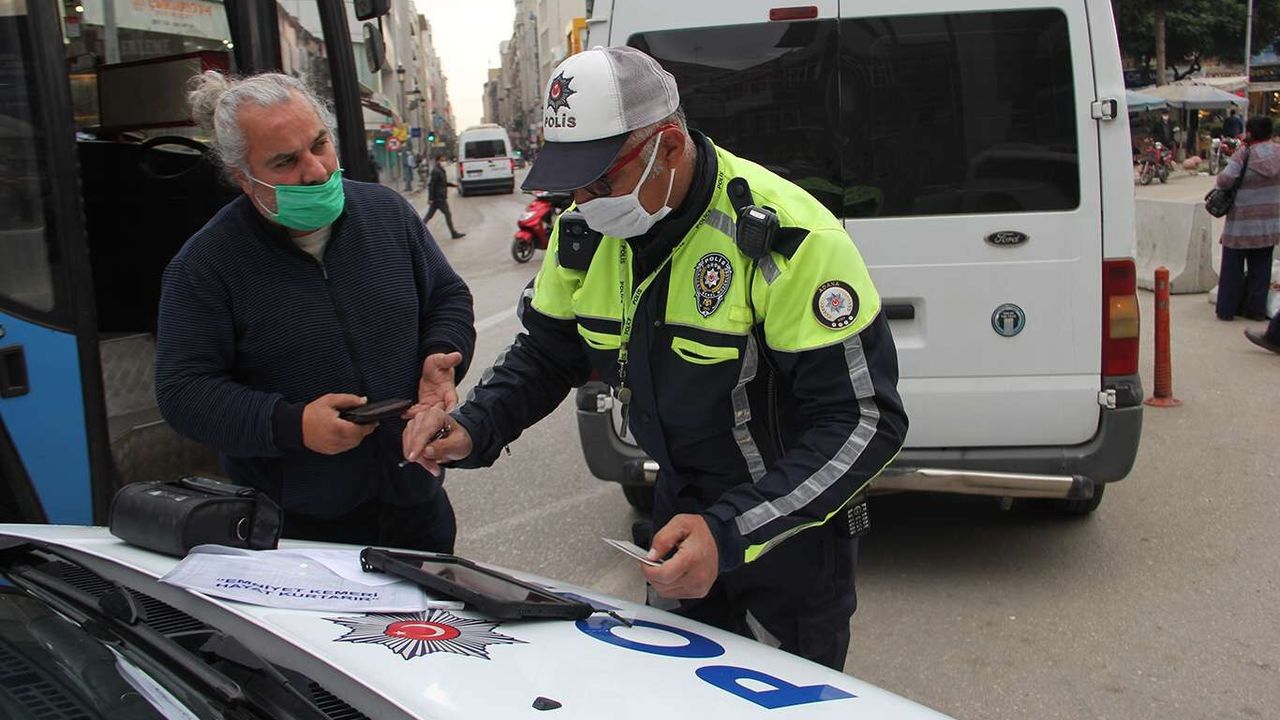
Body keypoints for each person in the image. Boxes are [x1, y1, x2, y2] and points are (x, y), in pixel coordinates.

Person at [401, 47, 907, 670]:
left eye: (601, 180)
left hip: (785, 536)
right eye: (572, 184)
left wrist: (729, 535)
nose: (582, 202)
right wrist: (473, 426)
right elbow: (549, 352)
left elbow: (864, 419)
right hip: (676, 520)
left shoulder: (788, 237)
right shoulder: (586, 234)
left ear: (668, 146)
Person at [157, 71, 476, 551]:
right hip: (295, 532)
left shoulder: (388, 215)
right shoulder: (204, 266)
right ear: (244, 178)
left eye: (319, 144)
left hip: (416, 506)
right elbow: (184, 392)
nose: (317, 170)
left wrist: (442, 354)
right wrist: (292, 425)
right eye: (286, 161)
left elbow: (447, 298)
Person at [1214, 115, 1280, 321]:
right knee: (1261, 269)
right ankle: (1256, 310)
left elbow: (1224, 180)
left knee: (1232, 268)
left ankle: (1227, 310)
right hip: (1269, 223)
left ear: (1250, 133)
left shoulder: (1244, 154)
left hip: (1241, 223)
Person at [425, 153, 465, 239]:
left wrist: (454, 185)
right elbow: (431, 185)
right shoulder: (436, 171)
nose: (444, 162)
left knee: (429, 216)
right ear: (438, 161)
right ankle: (453, 233)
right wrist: (430, 198)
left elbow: (443, 183)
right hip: (439, 198)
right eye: (442, 160)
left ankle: (416, 231)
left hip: (438, 197)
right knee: (447, 214)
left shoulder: (440, 170)